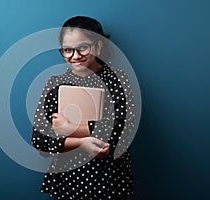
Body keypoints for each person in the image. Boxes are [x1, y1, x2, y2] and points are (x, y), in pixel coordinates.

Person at [31, 16, 134, 200]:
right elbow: (40, 140)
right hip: (67, 180)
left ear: (98, 46)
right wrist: (82, 143)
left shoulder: (118, 80)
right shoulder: (55, 84)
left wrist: (68, 129)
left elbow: (123, 128)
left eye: (83, 48)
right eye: (68, 50)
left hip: (108, 179)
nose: (75, 56)